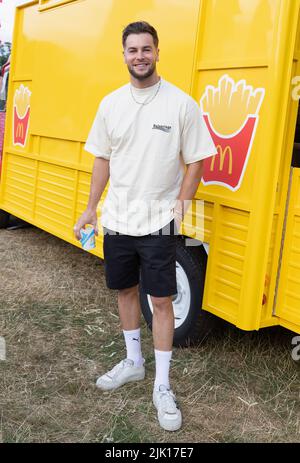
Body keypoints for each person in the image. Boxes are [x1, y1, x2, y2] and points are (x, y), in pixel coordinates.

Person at [74, 21, 216, 432]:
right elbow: (102, 159)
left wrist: (181, 206)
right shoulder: (111, 104)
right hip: (117, 218)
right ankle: (134, 363)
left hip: (158, 222)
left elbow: (196, 160)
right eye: (132, 49)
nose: (140, 56)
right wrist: (90, 208)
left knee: (162, 301)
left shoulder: (181, 104)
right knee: (125, 290)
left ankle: (163, 385)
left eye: (146, 49)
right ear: (123, 54)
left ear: (157, 52)